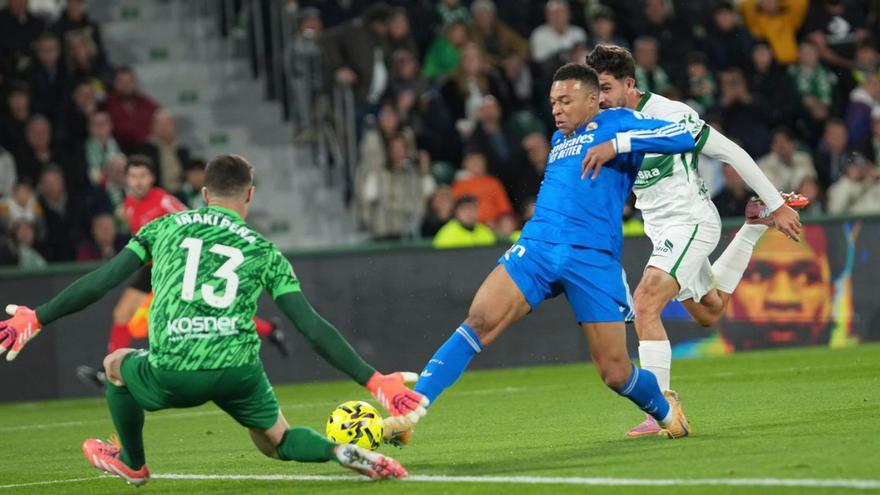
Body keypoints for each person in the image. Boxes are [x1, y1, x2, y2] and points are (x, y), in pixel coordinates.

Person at [0, 154, 428, 485]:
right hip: (237, 369)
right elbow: (310, 325)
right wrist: (374, 381)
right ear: (250, 196)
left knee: (115, 365)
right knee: (276, 441)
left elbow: (102, 281)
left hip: (175, 369)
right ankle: (341, 453)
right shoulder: (264, 250)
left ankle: (133, 463)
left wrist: (37, 317)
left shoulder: (162, 228)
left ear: (204, 194)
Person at [385, 63, 698, 446]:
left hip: (592, 258)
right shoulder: (559, 138)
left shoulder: (619, 121)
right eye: (553, 102)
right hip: (537, 246)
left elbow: (684, 135)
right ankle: (411, 410)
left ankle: (665, 410)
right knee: (480, 318)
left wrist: (619, 145)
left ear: (591, 99)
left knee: (615, 373)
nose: (557, 109)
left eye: (566, 101)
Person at [585, 44, 805, 437]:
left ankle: (661, 409)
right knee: (709, 312)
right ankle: (752, 227)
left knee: (645, 302)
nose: (599, 99)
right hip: (662, 232)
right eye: (595, 91)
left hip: (691, 223)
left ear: (629, 84)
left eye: (604, 88)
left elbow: (731, 153)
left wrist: (778, 203)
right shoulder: (606, 125)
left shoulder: (672, 115)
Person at [76, 156, 291, 389]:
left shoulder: (165, 202)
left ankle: (270, 330)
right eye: (133, 176)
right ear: (127, 178)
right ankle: (108, 374)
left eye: (143, 176)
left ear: (152, 179)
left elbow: (196, 222)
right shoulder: (128, 205)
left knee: (214, 314)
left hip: (181, 266)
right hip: (154, 267)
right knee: (122, 313)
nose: (138, 182)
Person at [432, 195, 496, 248]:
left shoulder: (485, 232)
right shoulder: (447, 233)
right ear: (457, 213)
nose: (469, 213)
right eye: (465, 210)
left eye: (472, 209)